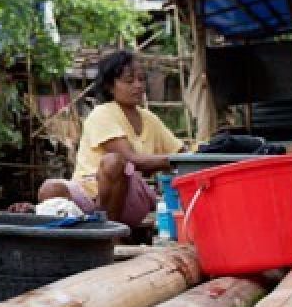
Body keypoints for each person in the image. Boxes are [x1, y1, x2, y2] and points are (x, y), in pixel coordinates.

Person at [30, 50, 182, 229]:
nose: (138, 85)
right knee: (50, 188)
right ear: (110, 86)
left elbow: (180, 153)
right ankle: (81, 229)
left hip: (128, 201)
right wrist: (173, 161)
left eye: (141, 79)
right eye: (129, 80)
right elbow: (132, 158)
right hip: (88, 198)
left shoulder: (149, 119)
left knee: (114, 162)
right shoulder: (102, 113)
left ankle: (108, 231)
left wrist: (195, 156)